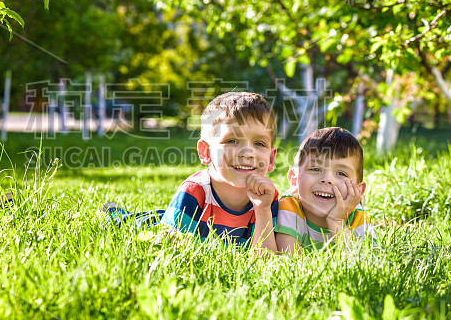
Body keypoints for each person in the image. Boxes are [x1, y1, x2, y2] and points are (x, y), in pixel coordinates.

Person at [159, 92, 280, 252]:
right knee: (136, 220)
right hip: (164, 219)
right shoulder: (195, 191)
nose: (247, 153)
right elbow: (167, 250)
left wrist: (262, 209)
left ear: (271, 159)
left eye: (259, 143)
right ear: (205, 152)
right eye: (232, 141)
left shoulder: (267, 196)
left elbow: (266, 261)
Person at [275, 127, 376, 255]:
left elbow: (370, 262)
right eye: (315, 169)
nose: (327, 179)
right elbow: (289, 258)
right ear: (294, 179)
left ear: (357, 190)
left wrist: (337, 222)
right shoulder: (290, 206)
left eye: (341, 173)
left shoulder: (356, 215)